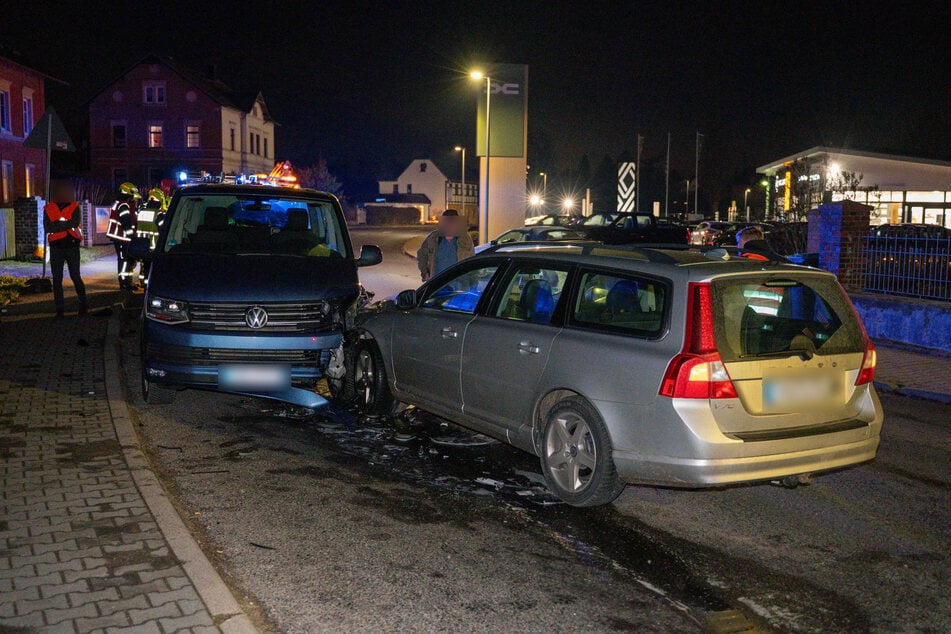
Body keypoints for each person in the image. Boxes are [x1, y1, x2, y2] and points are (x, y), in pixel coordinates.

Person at [43, 181, 88, 318]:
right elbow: (48, 228)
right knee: (57, 280)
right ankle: (60, 310)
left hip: (72, 246)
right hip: (56, 248)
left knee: (75, 277)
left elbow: (75, 223)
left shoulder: (75, 206)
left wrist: (57, 224)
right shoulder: (48, 208)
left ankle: (83, 305)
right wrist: (65, 225)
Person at [416, 209, 475, 281]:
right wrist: (425, 273)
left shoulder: (465, 238)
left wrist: (472, 282)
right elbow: (421, 255)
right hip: (437, 285)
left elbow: (471, 261)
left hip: (458, 286)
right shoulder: (433, 237)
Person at [106, 182, 141, 289]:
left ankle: (127, 282)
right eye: (133, 196)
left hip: (120, 238)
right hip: (122, 238)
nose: (134, 199)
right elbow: (126, 223)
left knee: (125, 260)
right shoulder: (123, 206)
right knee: (124, 260)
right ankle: (125, 283)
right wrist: (133, 237)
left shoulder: (119, 204)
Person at [136, 188, 166, 285]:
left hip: (142, 245)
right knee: (153, 268)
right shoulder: (159, 214)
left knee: (144, 266)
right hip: (154, 247)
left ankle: (144, 283)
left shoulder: (141, 212)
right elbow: (163, 230)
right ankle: (149, 285)